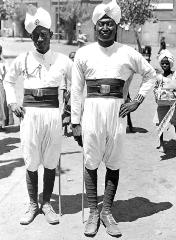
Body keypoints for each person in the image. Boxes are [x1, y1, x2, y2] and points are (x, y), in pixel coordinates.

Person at [71, 0, 156, 237]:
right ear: (95, 27)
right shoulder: (83, 53)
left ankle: (107, 211)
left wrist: (137, 101)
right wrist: (75, 122)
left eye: (110, 23)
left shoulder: (127, 52)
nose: (105, 28)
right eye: (101, 24)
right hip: (91, 115)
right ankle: (93, 212)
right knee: (90, 161)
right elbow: (76, 90)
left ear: (116, 26)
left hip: (116, 115)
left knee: (113, 162)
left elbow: (150, 75)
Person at [4, 6, 72, 225]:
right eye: (35, 35)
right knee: (31, 161)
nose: (39, 39)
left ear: (51, 34)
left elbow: (78, 82)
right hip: (30, 115)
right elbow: (8, 80)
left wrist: (71, 109)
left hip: (52, 115)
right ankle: (33, 204)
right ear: (30, 36)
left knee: (51, 161)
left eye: (43, 34)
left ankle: (46, 204)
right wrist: (12, 102)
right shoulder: (23, 58)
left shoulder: (62, 60)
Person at [153, 49, 176, 150]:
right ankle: (162, 144)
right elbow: (155, 88)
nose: (165, 65)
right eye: (163, 63)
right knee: (160, 123)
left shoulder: (174, 76)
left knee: (175, 124)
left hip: (173, 104)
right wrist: (156, 94)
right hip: (162, 104)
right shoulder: (159, 77)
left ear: (170, 64)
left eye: (167, 63)